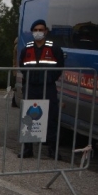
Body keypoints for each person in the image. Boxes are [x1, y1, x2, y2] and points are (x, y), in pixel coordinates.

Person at [17, 19, 65, 160]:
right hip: (31, 87)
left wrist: (49, 79)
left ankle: (53, 150)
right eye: (35, 30)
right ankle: (28, 149)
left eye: (41, 30)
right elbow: (22, 66)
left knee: (51, 118)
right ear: (32, 32)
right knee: (28, 118)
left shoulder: (54, 48)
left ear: (46, 31)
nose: (38, 32)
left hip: (48, 87)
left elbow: (59, 67)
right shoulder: (27, 49)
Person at [12, 37, 21, 108]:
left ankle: (14, 101)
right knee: (16, 85)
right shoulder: (17, 47)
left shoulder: (16, 46)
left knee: (16, 84)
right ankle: (14, 101)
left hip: (15, 66)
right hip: (16, 66)